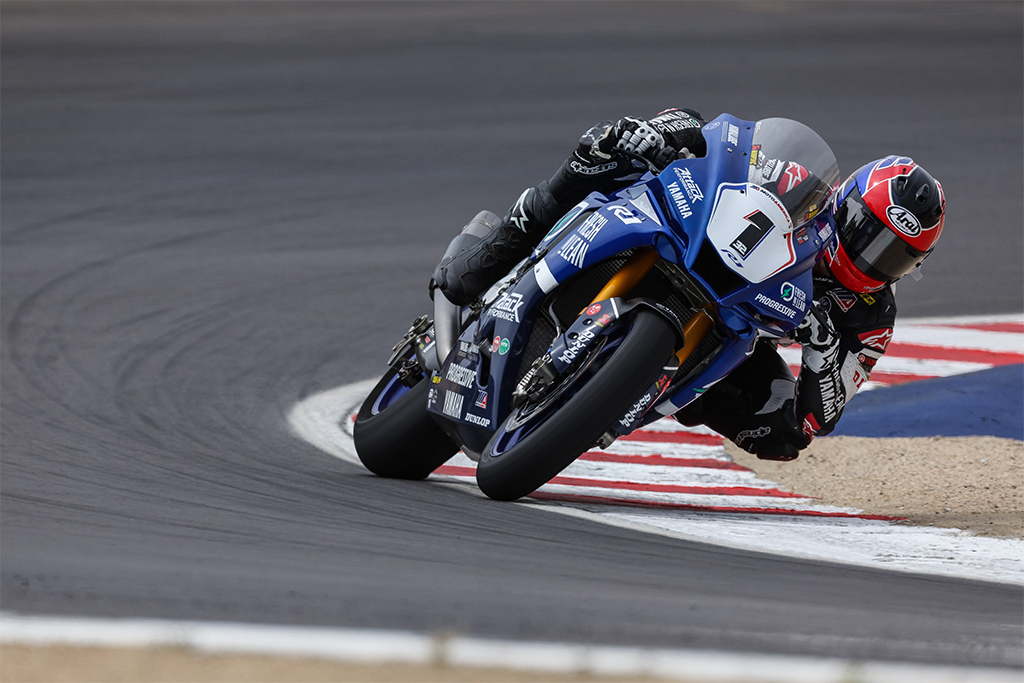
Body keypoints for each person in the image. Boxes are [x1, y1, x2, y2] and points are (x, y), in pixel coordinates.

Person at [432, 110, 945, 460]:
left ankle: (626, 390)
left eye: (894, 255)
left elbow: (820, 415)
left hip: (740, 327)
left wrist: (823, 350)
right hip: (701, 243)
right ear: (846, 202)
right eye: (868, 232)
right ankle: (491, 254)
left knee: (784, 435)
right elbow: (726, 140)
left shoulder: (871, 317)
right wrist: (663, 135)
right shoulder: (804, 188)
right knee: (604, 158)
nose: (870, 256)